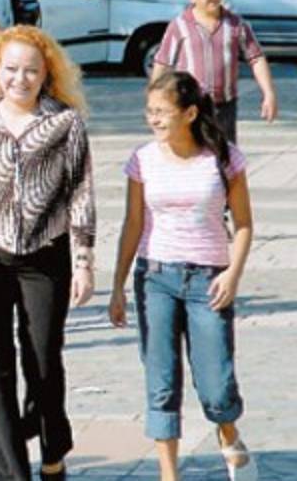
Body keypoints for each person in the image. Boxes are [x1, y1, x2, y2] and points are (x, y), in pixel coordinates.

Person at [0, 25, 95, 481]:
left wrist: (84, 260)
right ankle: (6, 471)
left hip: (45, 252)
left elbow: (81, 193)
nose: (20, 79)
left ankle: (52, 448)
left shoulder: (64, 123)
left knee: (42, 357)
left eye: (31, 70)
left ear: (47, 73)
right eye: (11, 69)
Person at [108, 70, 259, 481]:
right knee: (161, 382)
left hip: (208, 281)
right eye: (149, 111)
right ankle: (169, 474)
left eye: (162, 111)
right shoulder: (142, 159)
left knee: (216, 385)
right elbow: (133, 224)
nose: (153, 119)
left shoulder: (223, 158)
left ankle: (227, 430)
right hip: (155, 277)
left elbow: (244, 224)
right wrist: (118, 286)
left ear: (189, 113)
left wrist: (233, 275)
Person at [152, 0, 278, 143]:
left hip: (224, 106)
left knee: (224, 154)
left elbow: (256, 58)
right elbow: (162, 62)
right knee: (193, 153)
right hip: (190, 106)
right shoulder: (179, 26)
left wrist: (269, 94)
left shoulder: (236, 24)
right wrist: (155, 102)